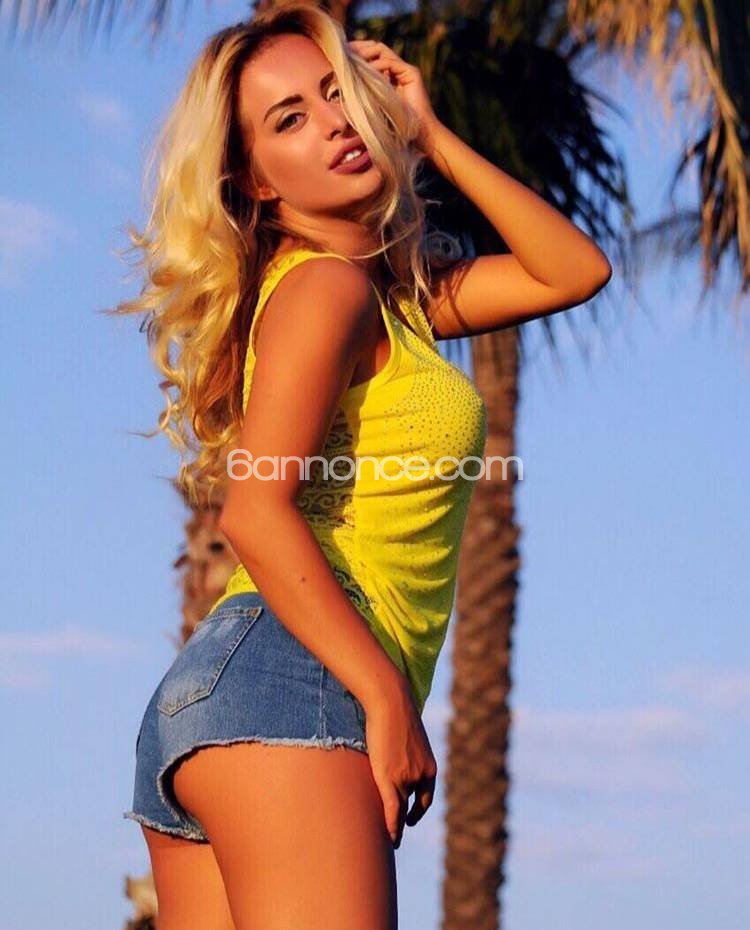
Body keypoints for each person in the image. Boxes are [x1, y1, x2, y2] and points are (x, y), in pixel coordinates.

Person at [116, 3, 612, 928]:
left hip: (217, 701)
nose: (335, 122)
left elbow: (573, 271)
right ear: (255, 181)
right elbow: (253, 511)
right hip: (295, 679)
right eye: (289, 119)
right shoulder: (326, 289)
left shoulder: (394, 304)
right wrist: (386, 697)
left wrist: (430, 134)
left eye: (337, 92)